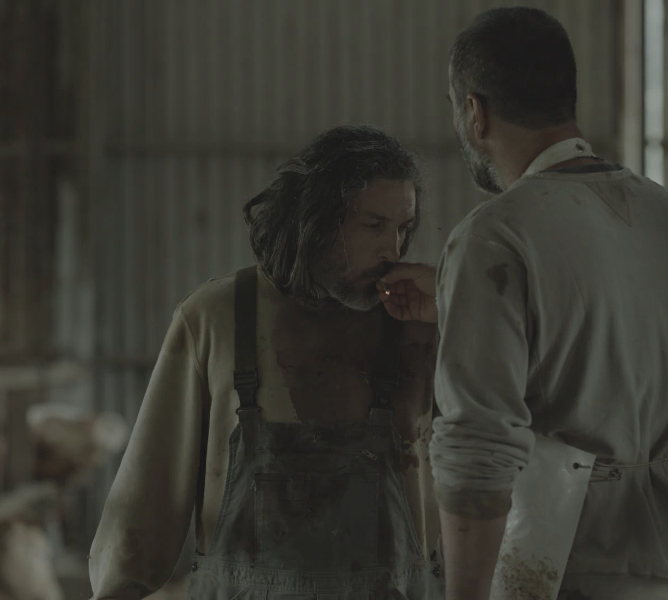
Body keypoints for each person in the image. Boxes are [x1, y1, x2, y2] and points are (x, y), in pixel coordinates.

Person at [379, 7, 668, 600]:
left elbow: (478, 450)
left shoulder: (496, 235)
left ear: (475, 112)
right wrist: (459, 297)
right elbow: (608, 327)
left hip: (568, 567)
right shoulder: (666, 213)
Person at [89, 125, 445, 600]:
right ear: (315, 220)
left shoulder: (421, 324)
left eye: (402, 228)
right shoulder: (216, 318)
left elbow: (500, 452)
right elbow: (143, 509)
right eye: (373, 225)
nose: (393, 250)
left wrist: (456, 309)